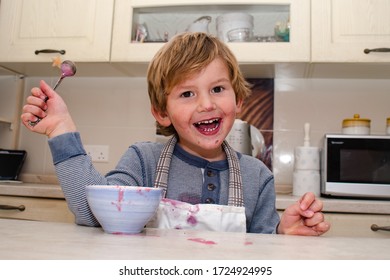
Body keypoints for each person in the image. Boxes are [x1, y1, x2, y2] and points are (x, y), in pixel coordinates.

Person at [21, 32, 330, 235]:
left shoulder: (257, 176)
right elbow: (92, 213)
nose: (206, 104)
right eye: (187, 94)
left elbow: (265, 252)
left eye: (218, 89)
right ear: (162, 113)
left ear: (237, 99)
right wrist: (61, 129)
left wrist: (283, 233)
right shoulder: (143, 161)